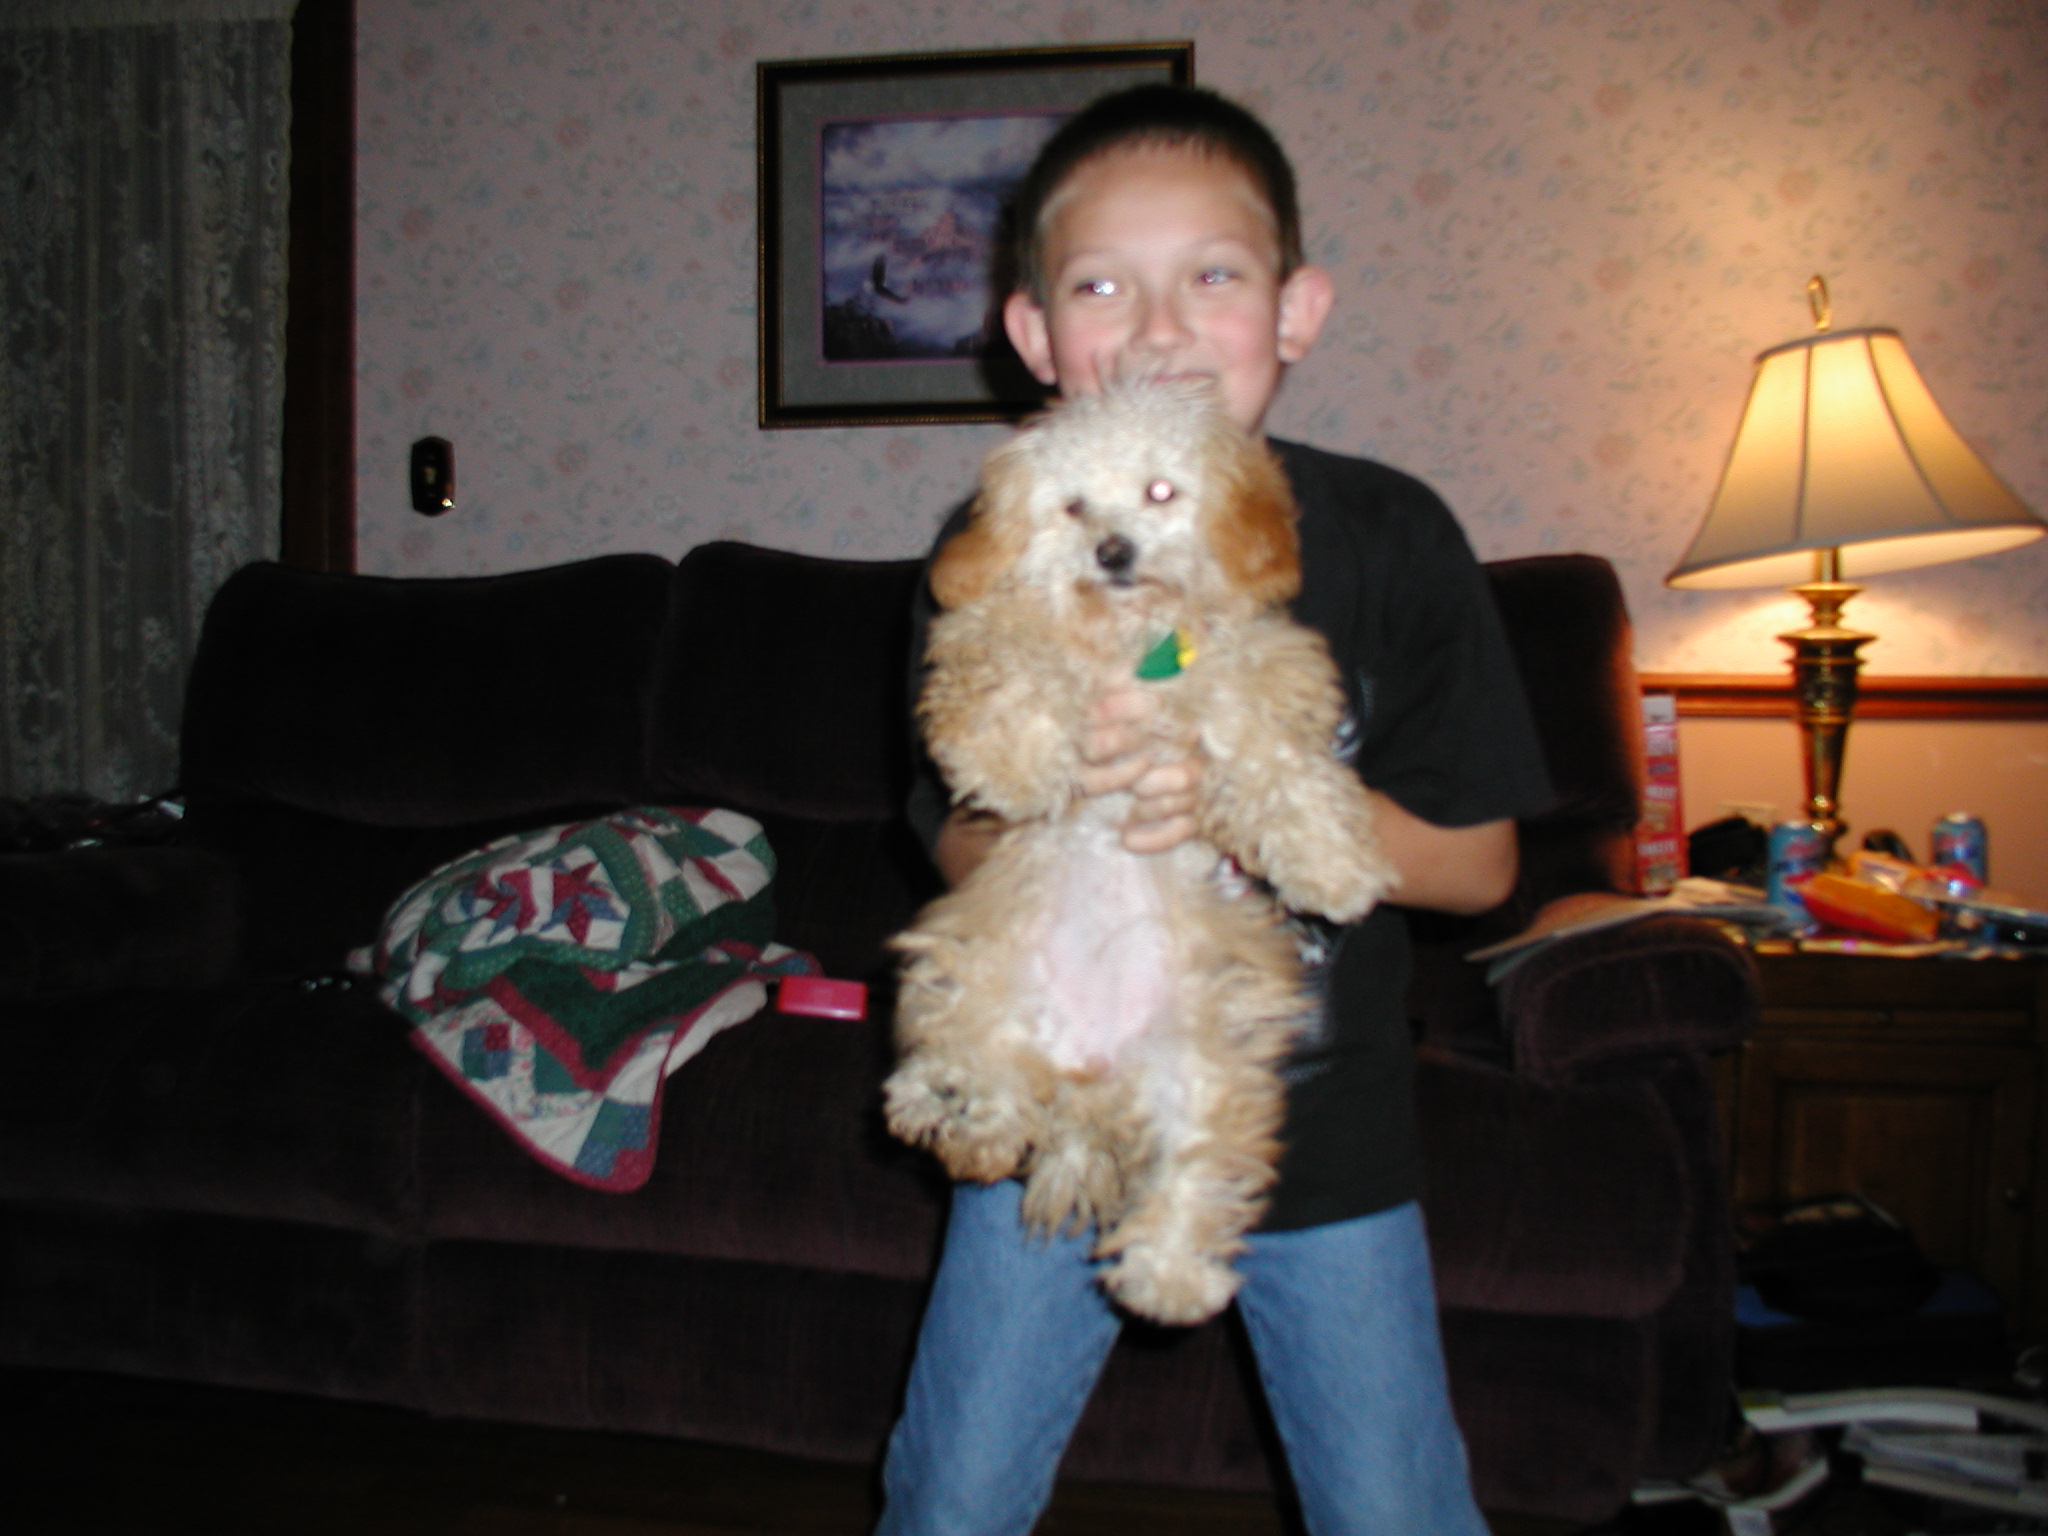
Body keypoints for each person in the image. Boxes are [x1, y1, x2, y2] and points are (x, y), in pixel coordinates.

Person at [878, 83, 1555, 1536]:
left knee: (1394, 1509)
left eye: (1215, 276)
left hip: (1322, 1124)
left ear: (1296, 311)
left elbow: (1479, 866)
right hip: (1059, 1097)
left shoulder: (1394, 535)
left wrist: (1241, 806)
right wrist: (1056, 798)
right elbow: (955, 837)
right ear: (1034, 336)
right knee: (951, 1499)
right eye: (1101, 286)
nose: (1158, 328)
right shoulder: (1002, 541)